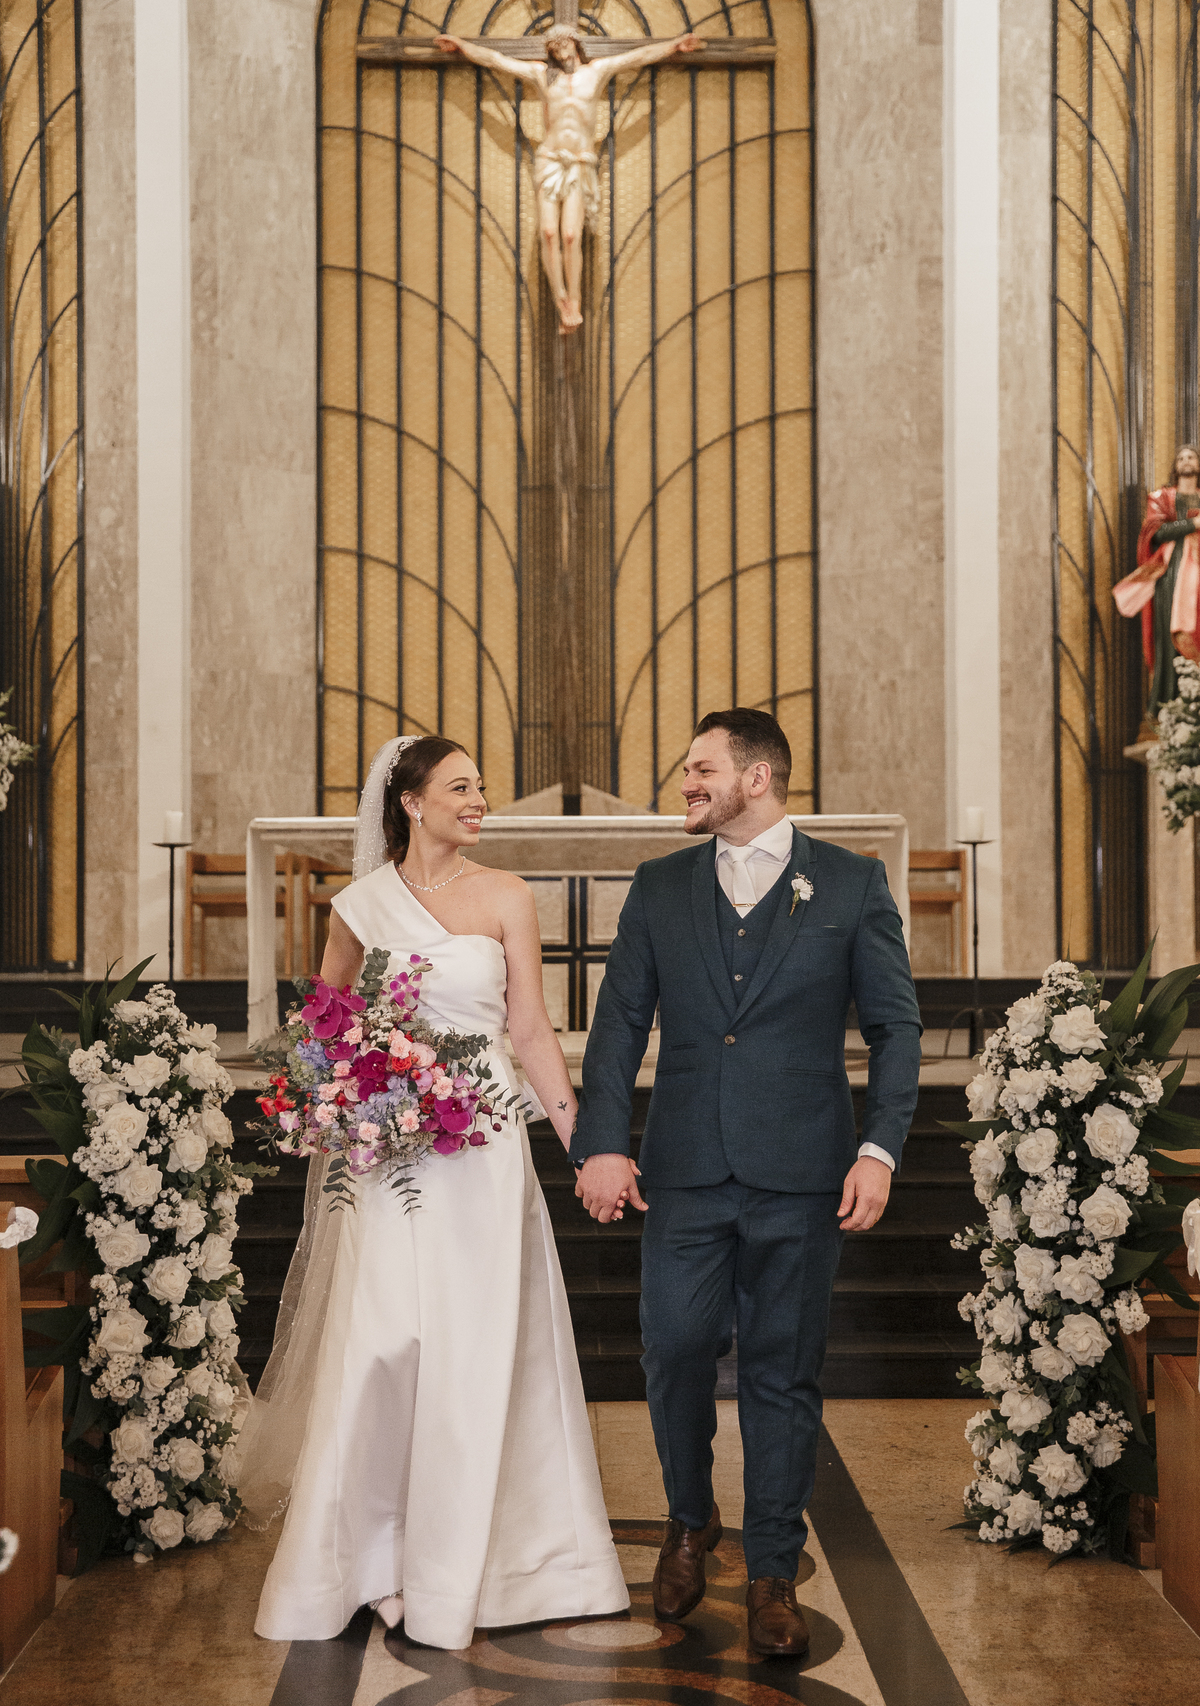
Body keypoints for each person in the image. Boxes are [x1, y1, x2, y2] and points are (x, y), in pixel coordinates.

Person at [244, 734, 629, 1649]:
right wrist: (330, 1094)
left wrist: (585, 1144)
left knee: (480, 1343)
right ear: (410, 802)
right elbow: (321, 1022)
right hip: (390, 1155)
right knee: (383, 1339)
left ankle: (490, 1564)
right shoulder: (361, 904)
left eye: (482, 787)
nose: (480, 800)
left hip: (486, 1148)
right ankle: (369, 1558)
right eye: (462, 787)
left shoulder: (506, 897)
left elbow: (531, 1030)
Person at [570, 708, 921, 1657]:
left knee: (781, 1371)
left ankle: (773, 1570)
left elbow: (895, 1029)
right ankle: (691, 1523)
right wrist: (602, 1142)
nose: (685, 783)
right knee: (674, 1348)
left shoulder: (851, 883)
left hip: (805, 1168)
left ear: (756, 778)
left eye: (700, 768)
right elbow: (615, 1029)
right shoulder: (658, 887)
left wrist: (880, 1150)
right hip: (683, 1167)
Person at [435, 24, 701, 332]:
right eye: (553, 45)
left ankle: (574, 300)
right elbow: (496, 60)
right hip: (550, 160)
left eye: (563, 42)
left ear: (575, 42)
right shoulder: (541, 75)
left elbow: (637, 57)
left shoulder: (597, 71)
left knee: (571, 235)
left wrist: (674, 45)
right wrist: (461, 46)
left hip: (579, 163)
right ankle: (560, 297)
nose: (559, 48)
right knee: (548, 232)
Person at [1113, 444, 1200, 718]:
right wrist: (1193, 525)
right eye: (1181, 458)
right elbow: (1155, 533)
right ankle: (1167, 704)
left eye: (1191, 457)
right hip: (1171, 574)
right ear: (1175, 467)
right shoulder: (1162, 498)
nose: (1186, 461)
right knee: (1169, 638)